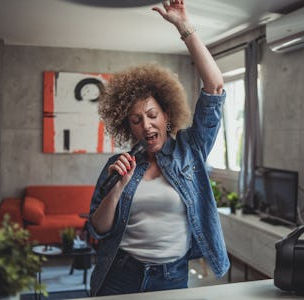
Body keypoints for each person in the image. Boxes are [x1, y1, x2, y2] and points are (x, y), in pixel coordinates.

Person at [88, 0, 229, 296]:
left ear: (166, 115)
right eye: (136, 120)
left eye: (152, 116)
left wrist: (183, 26)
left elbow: (215, 87)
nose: (146, 126)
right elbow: (98, 228)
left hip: (171, 277)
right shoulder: (119, 163)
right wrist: (118, 187)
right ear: (128, 126)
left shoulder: (191, 149)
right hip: (120, 274)